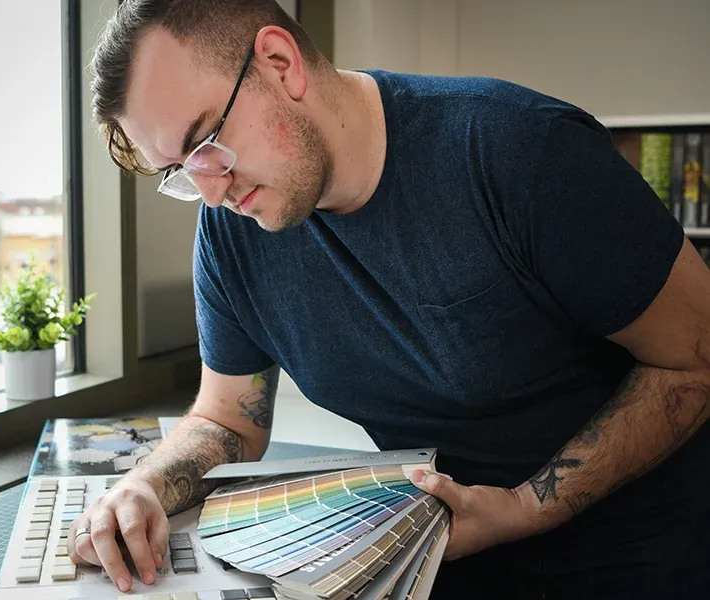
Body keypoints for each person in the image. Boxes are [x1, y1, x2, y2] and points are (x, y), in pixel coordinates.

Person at [67, 1, 710, 597]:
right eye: (181, 172)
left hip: (635, 557)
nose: (211, 191)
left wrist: (522, 508)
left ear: (280, 64)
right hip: (431, 559)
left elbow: (696, 356)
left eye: (206, 142)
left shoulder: (519, 152)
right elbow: (230, 418)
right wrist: (146, 483)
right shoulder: (235, 230)